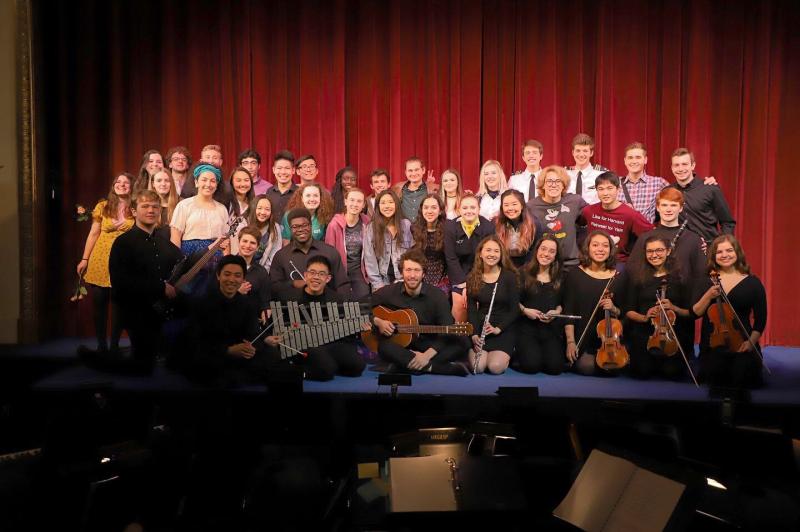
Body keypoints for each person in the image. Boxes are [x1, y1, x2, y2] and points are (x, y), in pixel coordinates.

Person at [105, 189, 183, 373]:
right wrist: (159, 287)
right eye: (145, 206)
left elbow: (182, 263)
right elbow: (120, 282)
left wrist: (209, 251)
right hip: (136, 311)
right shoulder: (123, 243)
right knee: (144, 367)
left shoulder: (164, 243)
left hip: (162, 310)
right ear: (133, 211)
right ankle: (107, 364)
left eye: (155, 207)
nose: (151, 210)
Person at [371, 249, 469, 376]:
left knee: (463, 342)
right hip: (402, 346)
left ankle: (404, 365)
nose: (412, 275)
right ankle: (435, 368)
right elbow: (360, 306)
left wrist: (426, 356)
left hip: (430, 345)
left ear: (423, 274)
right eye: (408, 270)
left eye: (417, 270)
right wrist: (378, 321)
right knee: (383, 347)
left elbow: (447, 331)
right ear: (402, 272)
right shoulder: (389, 292)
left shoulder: (437, 296)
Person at [178, 255, 271, 387]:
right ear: (218, 276)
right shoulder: (202, 304)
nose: (232, 280)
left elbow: (254, 334)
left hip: (239, 357)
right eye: (227, 274)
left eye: (237, 275)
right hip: (211, 358)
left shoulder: (247, 304)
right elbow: (195, 342)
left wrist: (250, 348)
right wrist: (228, 350)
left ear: (243, 279)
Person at [274, 255, 367, 381]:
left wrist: (358, 328)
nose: (316, 277)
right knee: (326, 371)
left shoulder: (337, 300)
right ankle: (305, 370)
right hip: (303, 345)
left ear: (328, 278)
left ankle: (328, 364)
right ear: (306, 275)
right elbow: (277, 329)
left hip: (330, 344)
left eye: (321, 274)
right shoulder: (289, 298)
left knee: (358, 366)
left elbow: (346, 336)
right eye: (312, 273)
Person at [692, 235, 766, 389]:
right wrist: (709, 295)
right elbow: (696, 313)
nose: (724, 255)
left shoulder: (753, 282)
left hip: (743, 343)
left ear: (737, 252)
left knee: (741, 376)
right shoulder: (707, 281)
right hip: (713, 345)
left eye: (729, 250)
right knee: (717, 376)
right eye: (719, 252)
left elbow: (760, 320)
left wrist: (750, 343)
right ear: (713, 256)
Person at [76, 173, 135, 354]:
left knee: (119, 306)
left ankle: (115, 345)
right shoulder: (103, 206)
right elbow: (94, 233)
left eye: (126, 183)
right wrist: (85, 258)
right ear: (113, 185)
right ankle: (102, 345)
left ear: (131, 187)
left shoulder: (135, 207)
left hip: (125, 261)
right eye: (118, 181)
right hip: (101, 258)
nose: (122, 185)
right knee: (100, 304)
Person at [624, 235, 693, 380]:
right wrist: (645, 317)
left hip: (672, 335)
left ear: (668, 251)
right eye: (650, 251)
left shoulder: (680, 277)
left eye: (659, 250)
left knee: (671, 373)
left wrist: (674, 308)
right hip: (645, 334)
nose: (654, 255)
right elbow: (628, 310)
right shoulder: (637, 277)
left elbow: (690, 313)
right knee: (642, 373)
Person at [564, 230, 623, 376]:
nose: (600, 249)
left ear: (610, 250)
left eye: (605, 246)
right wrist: (570, 342)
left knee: (613, 368)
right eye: (595, 245)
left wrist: (613, 308)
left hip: (607, 338)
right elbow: (568, 311)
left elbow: (624, 311)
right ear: (587, 248)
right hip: (580, 335)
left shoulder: (617, 277)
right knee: (586, 367)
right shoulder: (575, 274)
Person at [169, 163, 231, 292]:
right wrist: (177, 265)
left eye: (213, 181)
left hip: (215, 260)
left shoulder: (222, 209)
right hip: (190, 258)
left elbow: (226, 242)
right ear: (196, 182)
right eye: (204, 180)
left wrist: (227, 265)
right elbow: (175, 238)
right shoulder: (184, 205)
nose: (208, 184)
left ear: (217, 185)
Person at [466, 236, 519, 374]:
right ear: (481, 253)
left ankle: (508, 354)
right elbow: (471, 310)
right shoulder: (473, 277)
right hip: (482, 327)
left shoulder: (509, 277)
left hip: (503, 329)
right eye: (488, 250)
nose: (492, 254)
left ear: (501, 255)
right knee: (478, 367)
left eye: (496, 251)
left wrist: (498, 329)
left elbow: (514, 310)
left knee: (495, 367)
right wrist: (474, 334)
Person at [270, 208, 350, 297]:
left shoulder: (330, 252)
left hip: (326, 307)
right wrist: (293, 283)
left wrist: (341, 307)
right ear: (290, 229)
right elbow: (274, 287)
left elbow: (342, 284)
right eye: (295, 227)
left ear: (311, 226)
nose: (300, 229)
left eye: (304, 225)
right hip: (295, 308)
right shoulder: (281, 256)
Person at [665, 148, 736, 247]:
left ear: (693, 165)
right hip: (679, 252)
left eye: (684, 164)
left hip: (708, 252)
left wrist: (721, 246)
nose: (680, 169)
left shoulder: (710, 189)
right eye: (676, 165)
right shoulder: (668, 192)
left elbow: (727, 222)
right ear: (672, 168)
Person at [516, 236, 566, 375]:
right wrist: (525, 310)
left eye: (551, 251)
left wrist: (557, 311)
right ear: (537, 250)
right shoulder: (522, 272)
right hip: (527, 329)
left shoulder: (561, 276)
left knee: (555, 369)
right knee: (531, 367)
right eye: (543, 249)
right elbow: (513, 301)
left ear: (556, 256)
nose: (546, 254)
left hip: (550, 330)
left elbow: (562, 303)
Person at [581, 171, 654, 266]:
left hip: (618, 262)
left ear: (618, 189)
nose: (605, 193)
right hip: (593, 261)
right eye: (601, 189)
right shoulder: (589, 211)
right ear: (596, 190)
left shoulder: (630, 214)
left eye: (610, 188)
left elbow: (652, 235)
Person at [444, 194, 495, 321]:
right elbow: (451, 258)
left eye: (473, 207)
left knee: (478, 303)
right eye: (465, 208)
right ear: (459, 210)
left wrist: (472, 284)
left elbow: (486, 258)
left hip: (480, 273)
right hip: (458, 275)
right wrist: (464, 284)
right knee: (461, 304)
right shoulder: (450, 227)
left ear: (479, 209)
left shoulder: (488, 227)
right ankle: (459, 339)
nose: (469, 211)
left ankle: (477, 337)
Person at [527, 165, 587, 269]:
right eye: (549, 181)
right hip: (543, 264)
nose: (553, 185)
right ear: (543, 185)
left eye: (558, 181)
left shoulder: (575, 201)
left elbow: (593, 215)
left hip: (570, 263)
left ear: (564, 185)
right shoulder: (531, 206)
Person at [325, 187, 371, 300]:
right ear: (346, 201)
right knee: (342, 300)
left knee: (363, 297)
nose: (355, 204)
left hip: (358, 270)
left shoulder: (367, 222)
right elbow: (329, 254)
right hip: (340, 270)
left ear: (364, 205)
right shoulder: (334, 225)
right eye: (352, 200)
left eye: (359, 201)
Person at [363, 190, 413, 291]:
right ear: (378, 207)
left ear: (396, 205)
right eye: (383, 203)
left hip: (404, 280)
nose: (387, 206)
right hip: (381, 281)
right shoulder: (371, 228)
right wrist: (378, 285)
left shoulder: (406, 225)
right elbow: (369, 259)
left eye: (391, 202)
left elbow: (412, 255)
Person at [616, 142, 670, 223]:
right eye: (630, 158)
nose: (634, 161)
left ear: (645, 160)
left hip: (647, 233)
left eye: (638, 157)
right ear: (625, 161)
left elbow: (674, 205)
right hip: (621, 233)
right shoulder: (615, 183)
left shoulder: (658, 183)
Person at [411, 194, 450, 293]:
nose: (429, 211)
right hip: (420, 276)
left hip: (443, 278)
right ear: (421, 210)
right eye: (426, 207)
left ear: (440, 211)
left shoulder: (448, 228)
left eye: (434, 207)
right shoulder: (414, 228)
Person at [495, 189, 543, 268]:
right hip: (504, 264)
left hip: (528, 265)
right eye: (506, 205)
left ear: (522, 205)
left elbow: (536, 250)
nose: (510, 208)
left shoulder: (535, 224)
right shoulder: (496, 224)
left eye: (514, 204)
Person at [236, 226, 271, 322]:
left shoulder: (262, 272)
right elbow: (215, 298)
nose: (247, 246)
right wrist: (236, 292)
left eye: (252, 243)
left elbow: (265, 303)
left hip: (251, 327)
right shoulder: (225, 266)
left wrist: (265, 312)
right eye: (245, 241)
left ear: (258, 247)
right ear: (238, 242)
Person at [566, 133, 607, 205]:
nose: (581, 155)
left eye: (585, 151)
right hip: (569, 215)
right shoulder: (564, 174)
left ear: (591, 153)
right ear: (573, 152)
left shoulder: (602, 174)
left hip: (593, 214)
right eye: (578, 151)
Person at [392, 157, 437, 222]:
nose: (413, 173)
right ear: (405, 172)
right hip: (403, 231)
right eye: (410, 170)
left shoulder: (433, 190)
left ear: (423, 170)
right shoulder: (397, 188)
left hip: (425, 230)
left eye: (416, 170)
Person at [246, 194, 282, 272]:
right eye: (259, 208)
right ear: (254, 208)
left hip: (263, 271)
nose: (263, 212)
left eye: (267, 209)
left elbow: (274, 254)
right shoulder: (244, 223)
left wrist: (262, 272)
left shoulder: (275, 227)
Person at [265, 150, 299, 223]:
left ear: (293, 170)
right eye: (279, 168)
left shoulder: (300, 192)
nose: (283, 172)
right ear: (273, 170)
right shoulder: (269, 192)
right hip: (273, 233)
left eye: (287, 168)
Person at [227, 166, 254, 255]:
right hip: (227, 252)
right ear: (231, 183)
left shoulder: (255, 205)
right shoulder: (226, 204)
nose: (243, 184)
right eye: (238, 180)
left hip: (248, 254)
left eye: (246, 180)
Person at [148, 169, 180, 240]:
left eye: (167, 181)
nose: (163, 184)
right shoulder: (146, 205)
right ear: (153, 184)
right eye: (159, 181)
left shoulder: (181, 204)